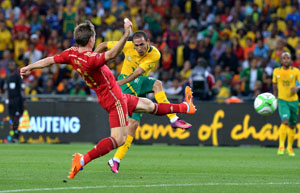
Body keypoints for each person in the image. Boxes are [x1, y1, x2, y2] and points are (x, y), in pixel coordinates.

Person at [20, 20, 196, 179]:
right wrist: (126, 33)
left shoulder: (71, 54)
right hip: (114, 99)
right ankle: (82, 160)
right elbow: (111, 54)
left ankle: (185, 107)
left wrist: (29, 66)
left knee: (149, 105)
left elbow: (50, 60)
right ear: (91, 40)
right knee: (118, 139)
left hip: (112, 94)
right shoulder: (92, 60)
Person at [95, 30, 192, 173]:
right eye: (136, 45)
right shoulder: (127, 46)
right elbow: (103, 44)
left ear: (148, 42)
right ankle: (115, 159)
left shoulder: (155, 54)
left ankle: (173, 118)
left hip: (135, 82)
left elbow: (138, 73)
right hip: (127, 88)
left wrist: (118, 82)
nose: (139, 48)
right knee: (133, 124)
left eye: (142, 44)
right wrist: (93, 60)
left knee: (155, 87)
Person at [272, 52, 300, 157]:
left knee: (292, 125)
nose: (286, 60)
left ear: (290, 60)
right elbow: (274, 84)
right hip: (282, 100)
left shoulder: (296, 71)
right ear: (281, 61)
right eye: (284, 58)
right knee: (285, 121)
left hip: (294, 101)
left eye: (288, 58)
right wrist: (275, 96)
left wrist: (296, 88)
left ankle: (290, 148)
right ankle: (281, 146)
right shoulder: (276, 71)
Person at [4, 61, 24, 143]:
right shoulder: (7, 78)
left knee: (17, 118)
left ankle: (17, 136)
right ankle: (15, 135)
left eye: (12, 65)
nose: (11, 66)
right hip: (11, 100)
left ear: (15, 67)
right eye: (10, 65)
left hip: (17, 99)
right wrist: (7, 100)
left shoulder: (18, 77)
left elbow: (22, 88)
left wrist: (24, 100)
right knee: (12, 118)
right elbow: (6, 90)